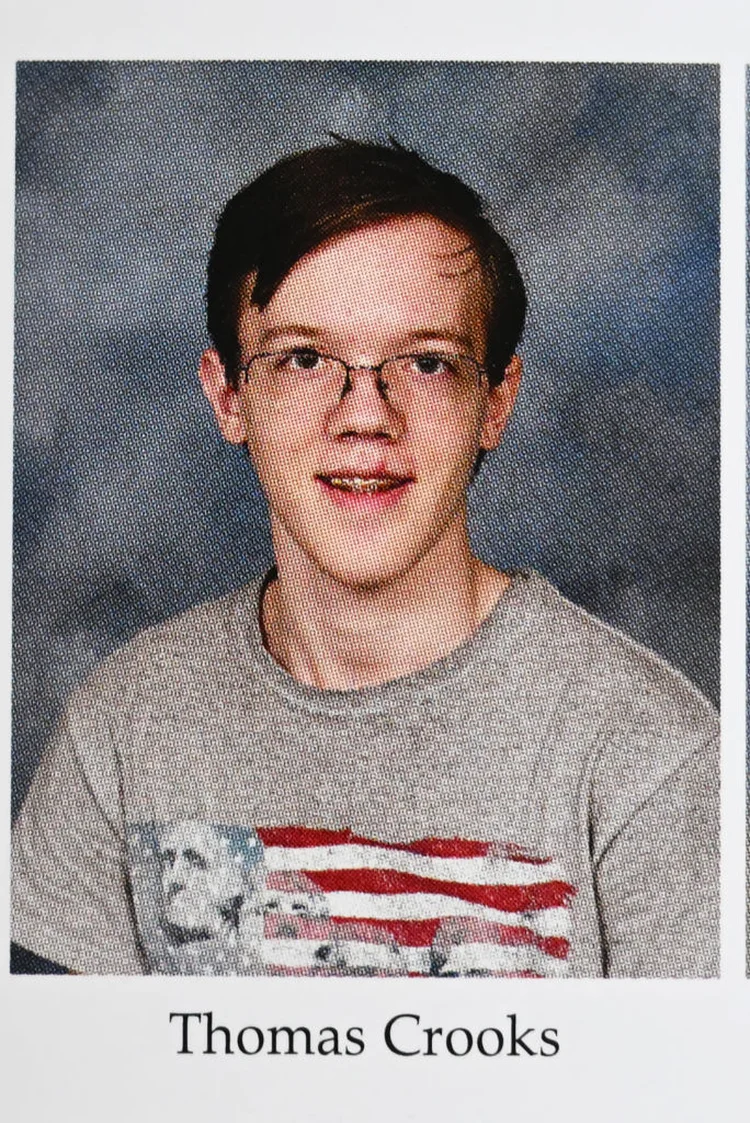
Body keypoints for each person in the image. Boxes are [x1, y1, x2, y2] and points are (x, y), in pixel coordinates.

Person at [11, 138, 719, 978]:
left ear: (496, 402)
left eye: (425, 363)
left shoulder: (647, 755)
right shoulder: (120, 736)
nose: (365, 417)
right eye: (304, 359)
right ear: (227, 395)